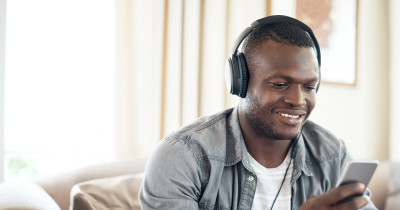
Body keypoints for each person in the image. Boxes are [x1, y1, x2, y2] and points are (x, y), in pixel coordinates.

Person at [139, 15, 376, 210]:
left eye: (309, 87)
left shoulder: (332, 155)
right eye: (280, 84)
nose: (298, 100)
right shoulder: (182, 157)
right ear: (240, 83)